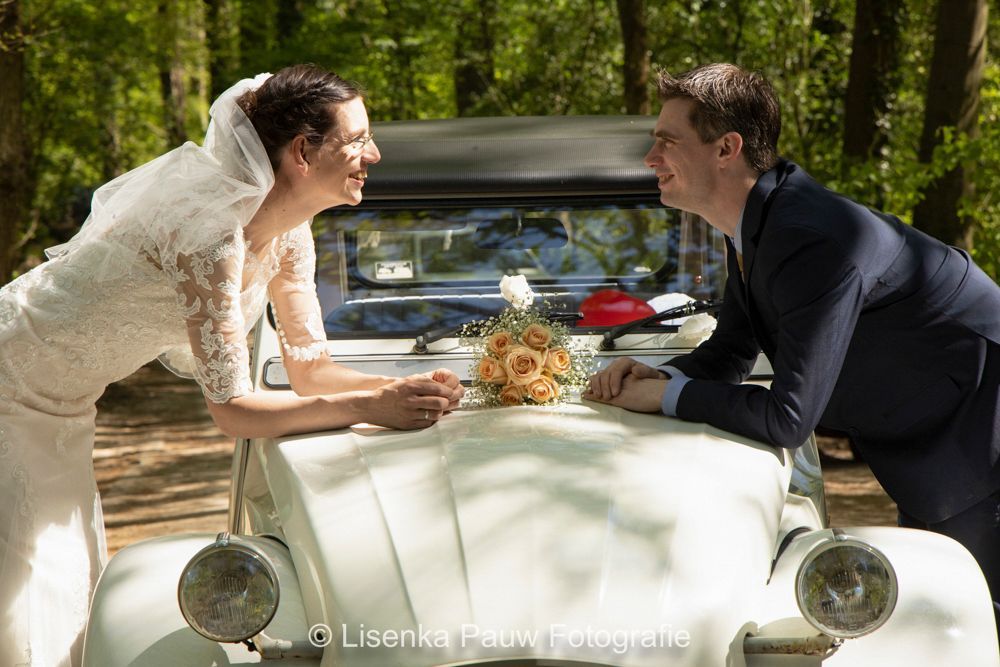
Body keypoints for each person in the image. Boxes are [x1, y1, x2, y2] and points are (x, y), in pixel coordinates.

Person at [0, 64, 463, 666]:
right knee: (32, 587)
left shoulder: (293, 232)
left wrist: (401, 388)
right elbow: (235, 412)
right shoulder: (211, 236)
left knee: (68, 578)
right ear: (303, 151)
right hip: (10, 384)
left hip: (65, 407)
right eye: (357, 140)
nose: (372, 153)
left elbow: (310, 369)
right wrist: (371, 408)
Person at [585, 63, 1000, 631]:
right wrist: (657, 375)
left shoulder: (809, 239)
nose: (649, 158)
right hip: (931, 423)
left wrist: (665, 400)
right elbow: (730, 352)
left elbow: (788, 417)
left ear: (726, 148)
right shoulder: (758, 225)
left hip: (983, 427)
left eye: (667, 141)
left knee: (973, 623)